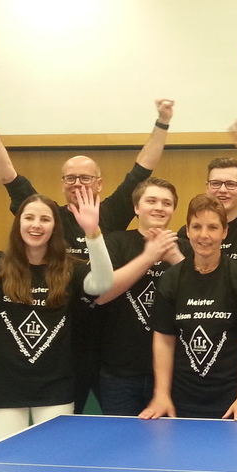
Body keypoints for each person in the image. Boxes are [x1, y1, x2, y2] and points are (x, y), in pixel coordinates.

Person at [0, 91, 174, 413]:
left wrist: (162, 121)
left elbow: (143, 168)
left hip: (108, 345)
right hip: (62, 342)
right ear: (62, 183)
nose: (77, 183)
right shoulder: (49, 217)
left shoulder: (110, 213)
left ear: (99, 184)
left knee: (125, 425)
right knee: (62, 427)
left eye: (85, 177)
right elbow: (7, 173)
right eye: (70, 178)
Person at [0, 170, 113, 441]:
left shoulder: (69, 270)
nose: (36, 225)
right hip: (2, 388)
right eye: (29, 217)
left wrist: (93, 232)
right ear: (18, 223)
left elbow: (103, 283)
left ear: (54, 227)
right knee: (9, 459)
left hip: (55, 389)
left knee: (51, 457)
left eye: (45, 219)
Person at [140, 194, 237, 420]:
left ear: (224, 232)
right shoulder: (171, 279)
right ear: (187, 231)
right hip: (181, 399)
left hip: (231, 400)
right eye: (197, 227)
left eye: (213, 227)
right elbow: (164, 340)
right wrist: (161, 394)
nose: (204, 235)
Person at [94, 177, 185, 416]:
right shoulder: (115, 242)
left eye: (166, 203)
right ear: (136, 207)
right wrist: (149, 257)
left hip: (175, 372)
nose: (159, 207)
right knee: (120, 438)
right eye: (151, 201)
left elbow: (203, 297)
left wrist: (176, 259)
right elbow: (101, 295)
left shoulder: (185, 247)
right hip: (120, 373)